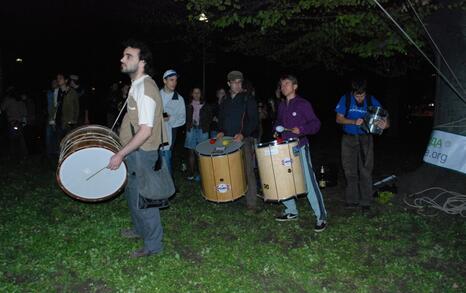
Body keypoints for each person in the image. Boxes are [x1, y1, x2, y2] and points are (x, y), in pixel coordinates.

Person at [108, 40, 168, 258]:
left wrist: (120, 154)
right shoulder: (137, 85)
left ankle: (154, 246)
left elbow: (145, 131)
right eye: (123, 55)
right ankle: (138, 230)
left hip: (143, 154)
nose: (122, 59)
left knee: (146, 200)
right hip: (134, 153)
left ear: (142, 62)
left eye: (128, 56)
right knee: (133, 193)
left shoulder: (145, 88)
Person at [274, 74, 328, 232]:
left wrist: (302, 130)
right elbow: (278, 122)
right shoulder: (282, 105)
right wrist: (276, 128)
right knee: (285, 180)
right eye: (282, 85)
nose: (284, 87)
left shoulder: (303, 104)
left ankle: (321, 216)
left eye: (287, 84)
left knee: (308, 182)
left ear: (295, 86)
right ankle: (291, 211)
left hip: (300, 147)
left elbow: (316, 124)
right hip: (284, 148)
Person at [335, 79, 389, 213]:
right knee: (349, 170)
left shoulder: (371, 100)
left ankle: (366, 202)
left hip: (366, 139)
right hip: (348, 139)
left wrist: (385, 124)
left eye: (362, 95)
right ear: (353, 93)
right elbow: (339, 119)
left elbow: (385, 117)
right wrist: (353, 121)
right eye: (357, 96)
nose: (360, 98)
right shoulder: (346, 99)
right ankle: (351, 200)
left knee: (365, 170)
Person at [217, 70, 259, 210]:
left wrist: (243, 133)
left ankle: (251, 202)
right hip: (227, 140)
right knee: (231, 169)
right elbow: (222, 117)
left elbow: (254, 120)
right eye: (234, 83)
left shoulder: (248, 98)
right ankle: (233, 194)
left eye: (239, 82)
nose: (237, 85)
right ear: (229, 83)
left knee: (248, 169)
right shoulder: (225, 99)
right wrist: (221, 130)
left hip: (243, 140)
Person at [160, 69, 186, 175]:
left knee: (166, 158)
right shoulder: (156, 95)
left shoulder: (179, 99)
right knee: (153, 161)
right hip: (151, 135)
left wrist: (170, 119)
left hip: (168, 134)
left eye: (175, 80)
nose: (174, 83)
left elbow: (182, 119)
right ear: (164, 81)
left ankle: (169, 189)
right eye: (171, 80)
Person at [184, 87, 212, 180]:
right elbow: (184, 117)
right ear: (192, 94)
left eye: (198, 93)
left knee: (202, 153)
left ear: (201, 94)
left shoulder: (206, 105)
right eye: (194, 92)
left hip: (202, 130)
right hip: (191, 130)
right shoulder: (188, 105)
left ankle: (203, 174)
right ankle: (191, 173)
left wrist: (204, 125)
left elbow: (210, 118)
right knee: (191, 152)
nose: (196, 94)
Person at [0, 87, 28, 160]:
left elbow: (2, 108)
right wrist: (24, 121)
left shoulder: (8, 100)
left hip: (12, 122)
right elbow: (24, 112)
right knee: (21, 139)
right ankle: (23, 156)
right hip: (20, 123)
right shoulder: (19, 100)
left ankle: (14, 156)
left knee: (13, 140)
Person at [54, 73, 80, 141]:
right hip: (59, 122)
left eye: (60, 78)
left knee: (69, 144)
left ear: (66, 80)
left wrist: (73, 121)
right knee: (60, 144)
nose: (58, 79)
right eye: (57, 78)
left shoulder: (72, 92)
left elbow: (76, 107)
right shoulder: (58, 92)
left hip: (68, 123)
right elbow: (56, 107)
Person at [46, 79, 59, 157]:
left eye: (55, 82)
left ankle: (55, 153)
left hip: (57, 118)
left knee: (56, 136)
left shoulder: (60, 93)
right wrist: (51, 119)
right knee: (49, 136)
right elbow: (50, 107)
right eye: (52, 83)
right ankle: (49, 154)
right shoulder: (50, 93)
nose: (53, 84)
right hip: (50, 118)